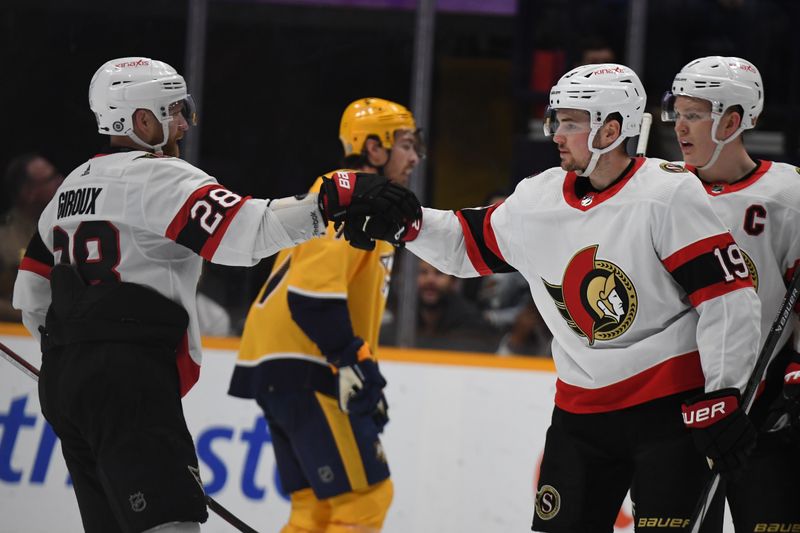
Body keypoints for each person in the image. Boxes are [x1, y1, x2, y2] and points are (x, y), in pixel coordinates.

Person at [11, 59, 420, 533]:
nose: (183, 123)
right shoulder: (160, 178)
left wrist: (77, 359)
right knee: (171, 524)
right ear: (142, 120)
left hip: (65, 381)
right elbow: (248, 233)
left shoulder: (67, 191)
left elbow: (33, 299)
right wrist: (333, 199)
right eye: (175, 110)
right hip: (130, 376)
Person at [363, 63, 762, 531]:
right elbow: (463, 245)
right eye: (557, 120)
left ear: (611, 130)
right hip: (581, 413)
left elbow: (729, 298)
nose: (555, 133)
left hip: (668, 411)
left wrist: (724, 393)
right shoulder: (538, 199)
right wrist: (406, 221)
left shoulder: (669, 194)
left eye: (571, 122)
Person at [228, 97, 422, 533]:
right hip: (309, 362)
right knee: (366, 499)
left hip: (284, 363)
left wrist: (359, 361)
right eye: (406, 144)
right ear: (374, 148)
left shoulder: (350, 197)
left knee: (314, 507)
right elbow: (312, 296)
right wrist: (352, 359)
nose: (414, 157)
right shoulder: (347, 194)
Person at [662, 56, 800, 532]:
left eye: (694, 115)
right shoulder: (661, 189)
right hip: (673, 403)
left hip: (762, 406)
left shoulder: (787, 194)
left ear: (733, 120)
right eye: (676, 113)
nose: (680, 127)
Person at [0, 153, 63, 322]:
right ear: (29, 192)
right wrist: (33, 316)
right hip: (16, 336)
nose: (61, 181)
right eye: (51, 178)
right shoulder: (4, 239)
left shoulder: (65, 227)